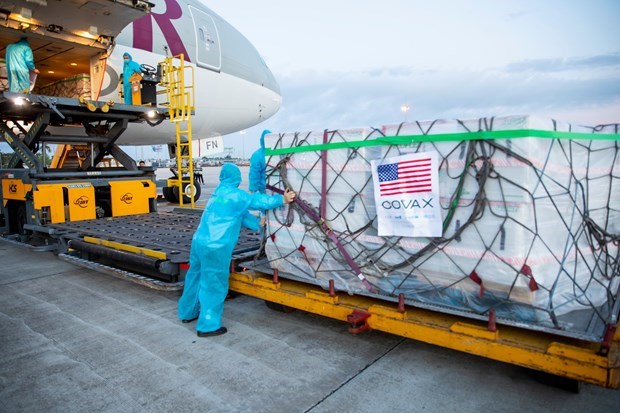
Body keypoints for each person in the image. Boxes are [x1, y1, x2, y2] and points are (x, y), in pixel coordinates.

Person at [178, 163, 295, 337]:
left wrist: (257, 224)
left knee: (194, 277)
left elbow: (238, 215)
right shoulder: (236, 195)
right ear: (237, 178)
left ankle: (187, 313)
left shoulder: (217, 193)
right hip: (215, 247)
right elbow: (257, 201)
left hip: (199, 243)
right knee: (214, 284)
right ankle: (207, 325)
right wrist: (282, 200)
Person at [248, 129, 270, 193]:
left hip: (263, 192)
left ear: (261, 140)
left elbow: (254, 175)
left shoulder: (257, 155)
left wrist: (253, 190)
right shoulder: (278, 154)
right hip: (279, 192)